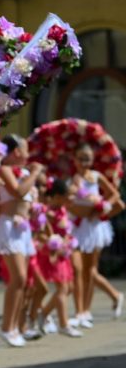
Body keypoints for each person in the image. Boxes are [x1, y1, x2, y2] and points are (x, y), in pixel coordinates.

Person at [0, 136, 45, 348]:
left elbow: (27, 201)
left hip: (22, 229)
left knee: (22, 280)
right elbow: (18, 192)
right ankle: (6, 327)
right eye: (25, 149)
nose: (28, 154)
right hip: (9, 227)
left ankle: (12, 327)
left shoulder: (23, 173)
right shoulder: (5, 170)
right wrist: (36, 174)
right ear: (15, 152)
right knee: (19, 278)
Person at [68, 143, 124, 326]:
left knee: (90, 270)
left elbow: (115, 195)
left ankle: (85, 311)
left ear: (93, 160)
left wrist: (103, 206)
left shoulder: (96, 177)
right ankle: (79, 311)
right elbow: (68, 205)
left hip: (93, 228)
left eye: (88, 159)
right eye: (81, 158)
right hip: (77, 228)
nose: (84, 162)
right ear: (75, 160)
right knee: (77, 270)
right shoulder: (71, 181)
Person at [35, 179, 83, 337]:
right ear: (57, 196)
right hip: (52, 254)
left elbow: (65, 231)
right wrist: (53, 243)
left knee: (68, 288)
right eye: (69, 196)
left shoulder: (62, 209)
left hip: (63, 254)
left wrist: (68, 241)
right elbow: (40, 233)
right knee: (62, 288)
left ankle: (43, 314)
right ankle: (63, 323)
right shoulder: (47, 213)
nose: (72, 199)